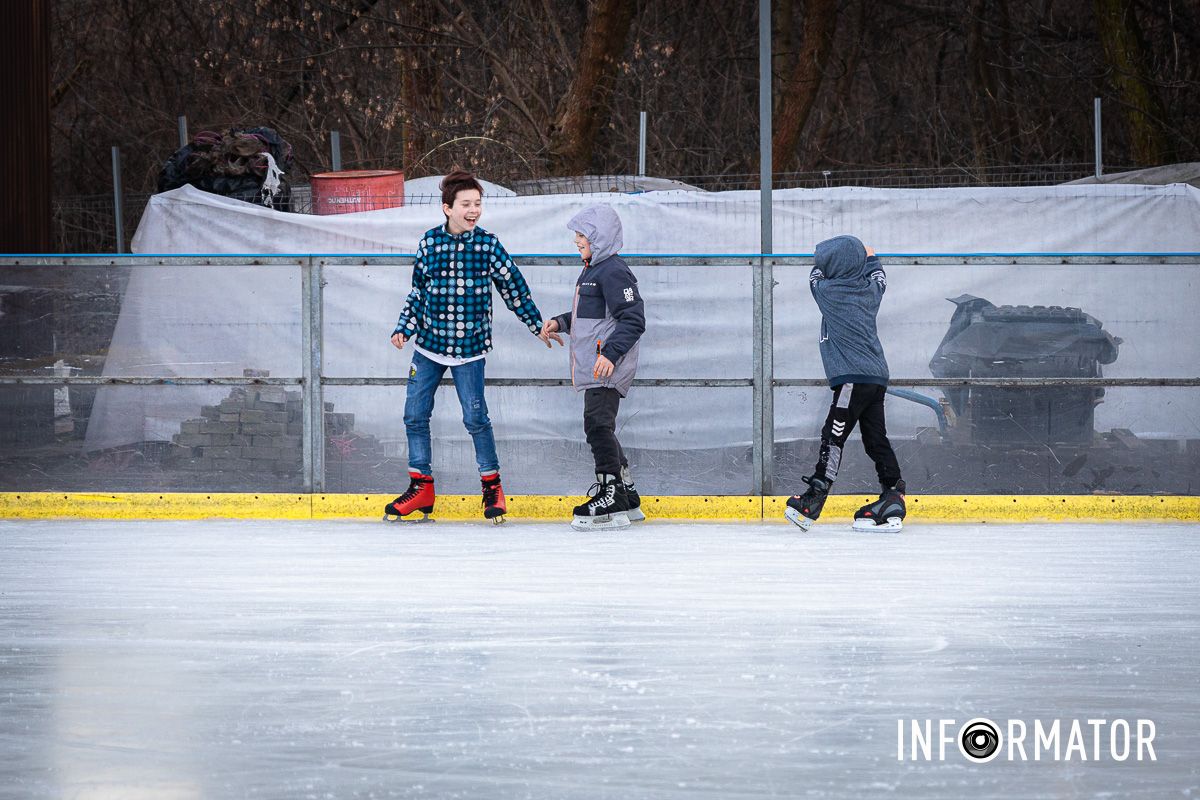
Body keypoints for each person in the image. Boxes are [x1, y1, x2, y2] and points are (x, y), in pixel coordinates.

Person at [384, 170, 550, 523]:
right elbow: (418, 292)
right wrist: (404, 327)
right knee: (414, 415)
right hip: (428, 346)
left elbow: (513, 288)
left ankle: (492, 486)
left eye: (478, 204)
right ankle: (421, 486)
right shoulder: (429, 244)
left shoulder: (488, 245)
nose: (474, 210)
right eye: (466, 204)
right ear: (447, 208)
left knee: (475, 418)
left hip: (470, 349)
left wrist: (536, 324)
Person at [785, 235, 907, 532]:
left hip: (852, 379)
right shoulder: (869, 290)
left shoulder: (828, 292)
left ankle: (814, 497)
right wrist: (871, 257)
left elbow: (814, 276)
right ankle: (894, 495)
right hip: (875, 377)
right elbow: (880, 278)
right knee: (876, 439)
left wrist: (854, 259)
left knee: (832, 437)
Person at [539, 205, 646, 531]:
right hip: (597, 364)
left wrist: (610, 355)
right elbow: (589, 319)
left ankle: (610, 492)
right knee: (602, 426)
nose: (576, 240)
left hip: (606, 366)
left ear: (599, 237)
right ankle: (626, 494)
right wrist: (559, 322)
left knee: (597, 426)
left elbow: (634, 318)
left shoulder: (613, 271)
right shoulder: (593, 271)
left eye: (582, 234)